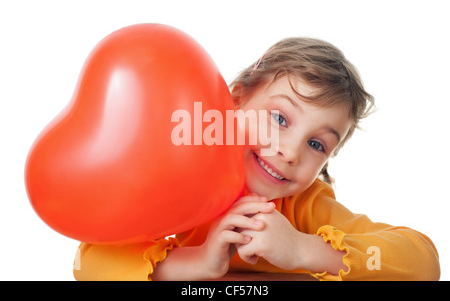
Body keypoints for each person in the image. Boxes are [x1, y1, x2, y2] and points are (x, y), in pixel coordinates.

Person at [73, 37, 440, 281]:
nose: (290, 151)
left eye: (317, 145)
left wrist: (305, 250)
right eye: (279, 119)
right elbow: (89, 260)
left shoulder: (304, 207)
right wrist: (197, 261)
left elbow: (423, 263)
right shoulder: (182, 179)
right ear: (235, 102)